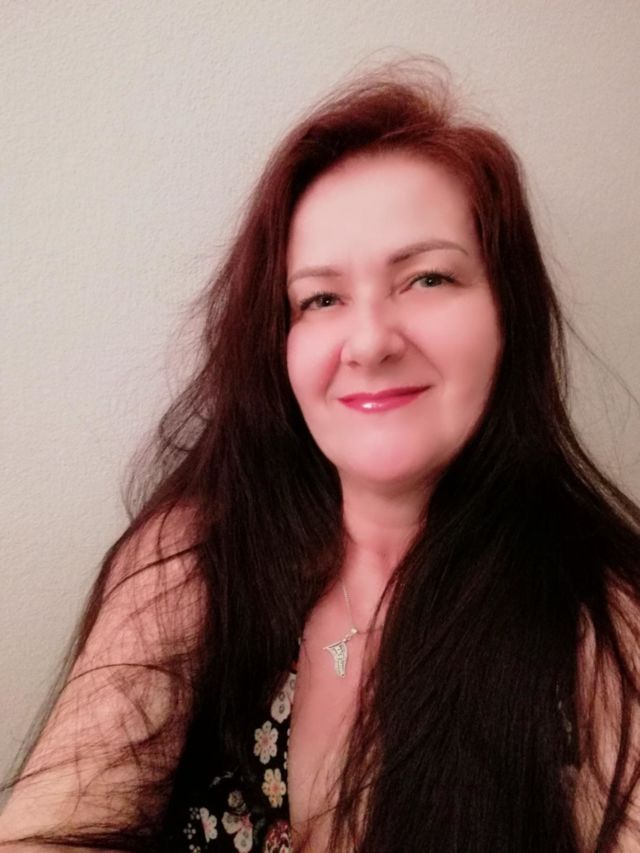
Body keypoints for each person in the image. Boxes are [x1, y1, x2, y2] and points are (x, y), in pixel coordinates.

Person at [1, 59, 640, 853]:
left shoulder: (607, 625)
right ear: (280, 342)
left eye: (427, 277)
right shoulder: (192, 559)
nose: (368, 342)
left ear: (509, 315)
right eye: (322, 298)